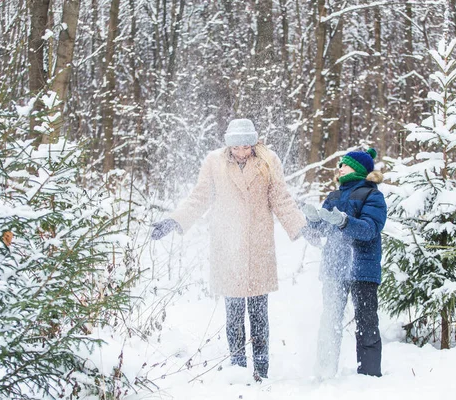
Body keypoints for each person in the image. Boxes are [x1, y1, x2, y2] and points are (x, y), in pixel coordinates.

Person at [151, 118, 318, 381]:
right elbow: (199, 197)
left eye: (246, 146)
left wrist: (302, 227)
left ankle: (261, 371)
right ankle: (238, 369)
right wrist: (174, 220)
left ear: (254, 143)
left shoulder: (268, 160)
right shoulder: (214, 163)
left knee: (259, 314)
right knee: (234, 315)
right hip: (227, 246)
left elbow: (281, 198)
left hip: (258, 246)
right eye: (236, 147)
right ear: (228, 145)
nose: (242, 152)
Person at [302, 147, 387, 379]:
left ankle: (369, 376)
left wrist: (344, 222)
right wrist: (310, 223)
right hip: (334, 268)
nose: (340, 168)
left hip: (363, 269)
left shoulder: (373, 196)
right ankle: (324, 372)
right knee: (329, 319)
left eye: (345, 164)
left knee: (366, 321)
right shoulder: (334, 196)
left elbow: (370, 229)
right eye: (340, 164)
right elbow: (320, 231)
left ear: (359, 169)